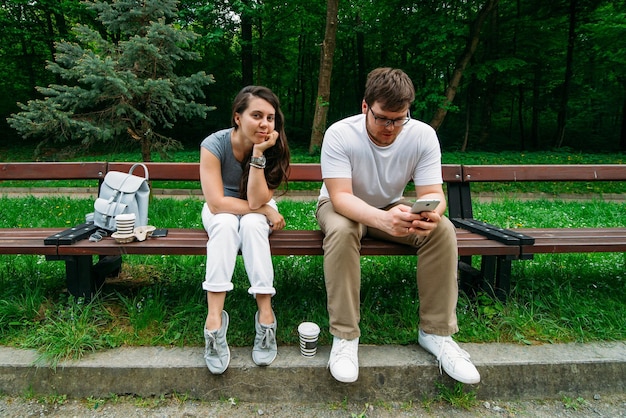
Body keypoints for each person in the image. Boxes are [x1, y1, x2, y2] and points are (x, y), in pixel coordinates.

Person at [316, 68, 480, 384]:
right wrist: (383, 221)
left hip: (391, 205)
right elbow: (340, 197)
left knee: (442, 230)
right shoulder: (340, 133)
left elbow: (433, 193)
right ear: (365, 107)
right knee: (343, 231)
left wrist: (431, 213)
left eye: (398, 119)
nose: (390, 127)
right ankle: (346, 336)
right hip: (341, 205)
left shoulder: (422, 135)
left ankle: (436, 333)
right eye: (382, 118)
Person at [199, 85, 290, 374]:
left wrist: (260, 154)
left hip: (255, 200)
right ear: (237, 117)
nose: (265, 124)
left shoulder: (274, 147)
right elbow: (215, 204)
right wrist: (265, 210)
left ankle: (266, 314)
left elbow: (254, 199)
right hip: (223, 207)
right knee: (225, 224)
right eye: (257, 115)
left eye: (271, 117)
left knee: (251, 225)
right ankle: (213, 321)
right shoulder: (214, 145)